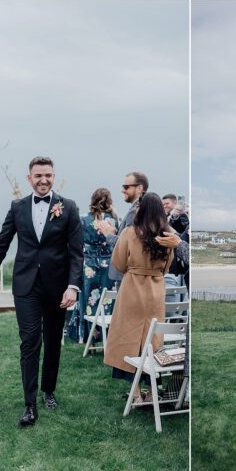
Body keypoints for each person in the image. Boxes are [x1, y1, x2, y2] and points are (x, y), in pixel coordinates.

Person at [0, 156, 84, 427]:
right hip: (26, 285)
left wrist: (73, 286)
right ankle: (29, 404)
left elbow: (76, 253)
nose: (43, 180)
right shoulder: (17, 207)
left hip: (58, 286)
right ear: (30, 178)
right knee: (30, 341)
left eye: (48, 175)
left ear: (53, 176)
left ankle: (48, 390)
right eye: (38, 175)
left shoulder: (69, 207)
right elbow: (2, 242)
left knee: (52, 342)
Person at [104, 193, 173, 401]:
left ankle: (135, 393)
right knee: (153, 339)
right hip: (155, 291)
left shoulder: (130, 232)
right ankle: (152, 392)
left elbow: (119, 262)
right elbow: (167, 267)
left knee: (128, 337)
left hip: (132, 288)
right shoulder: (168, 235)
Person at [70, 188, 120, 342]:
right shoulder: (114, 219)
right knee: (108, 299)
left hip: (90, 264)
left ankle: (90, 335)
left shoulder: (83, 218)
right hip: (109, 265)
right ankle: (108, 335)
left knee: (88, 299)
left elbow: (77, 241)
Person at [99, 171, 149, 284]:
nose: (123, 190)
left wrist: (109, 235)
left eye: (126, 187)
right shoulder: (145, 207)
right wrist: (116, 232)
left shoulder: (135, 210)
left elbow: (129, 244)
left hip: (127, 274)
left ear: (139, 188)